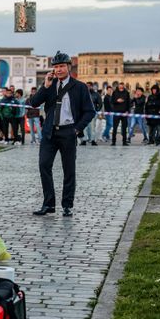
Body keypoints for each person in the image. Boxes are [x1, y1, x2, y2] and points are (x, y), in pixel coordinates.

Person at [30, 51, 96, 217]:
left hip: (68, 131)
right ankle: (48, 204)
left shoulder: (79, 87)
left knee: (69, 170)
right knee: (44, 165)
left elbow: (89, 111)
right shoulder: (49, 84)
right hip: (49, 133)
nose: (58, 70)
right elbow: (34, 103)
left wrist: (77, 129)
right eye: (56, 67)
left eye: (61, 66)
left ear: (68, 67)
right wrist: (45, 86)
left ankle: (67, 205)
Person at [81, 81, 102, 146]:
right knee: (84, 127)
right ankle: (84, 140)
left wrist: (97, 110)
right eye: (86, 86)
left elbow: (100, 103)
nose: (88, 87)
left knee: (92, 127)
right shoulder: (82, 93)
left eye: (89, 86)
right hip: (84, 113)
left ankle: (93, 140)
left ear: (92, 86)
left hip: (92, 113)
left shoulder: (96, 94)